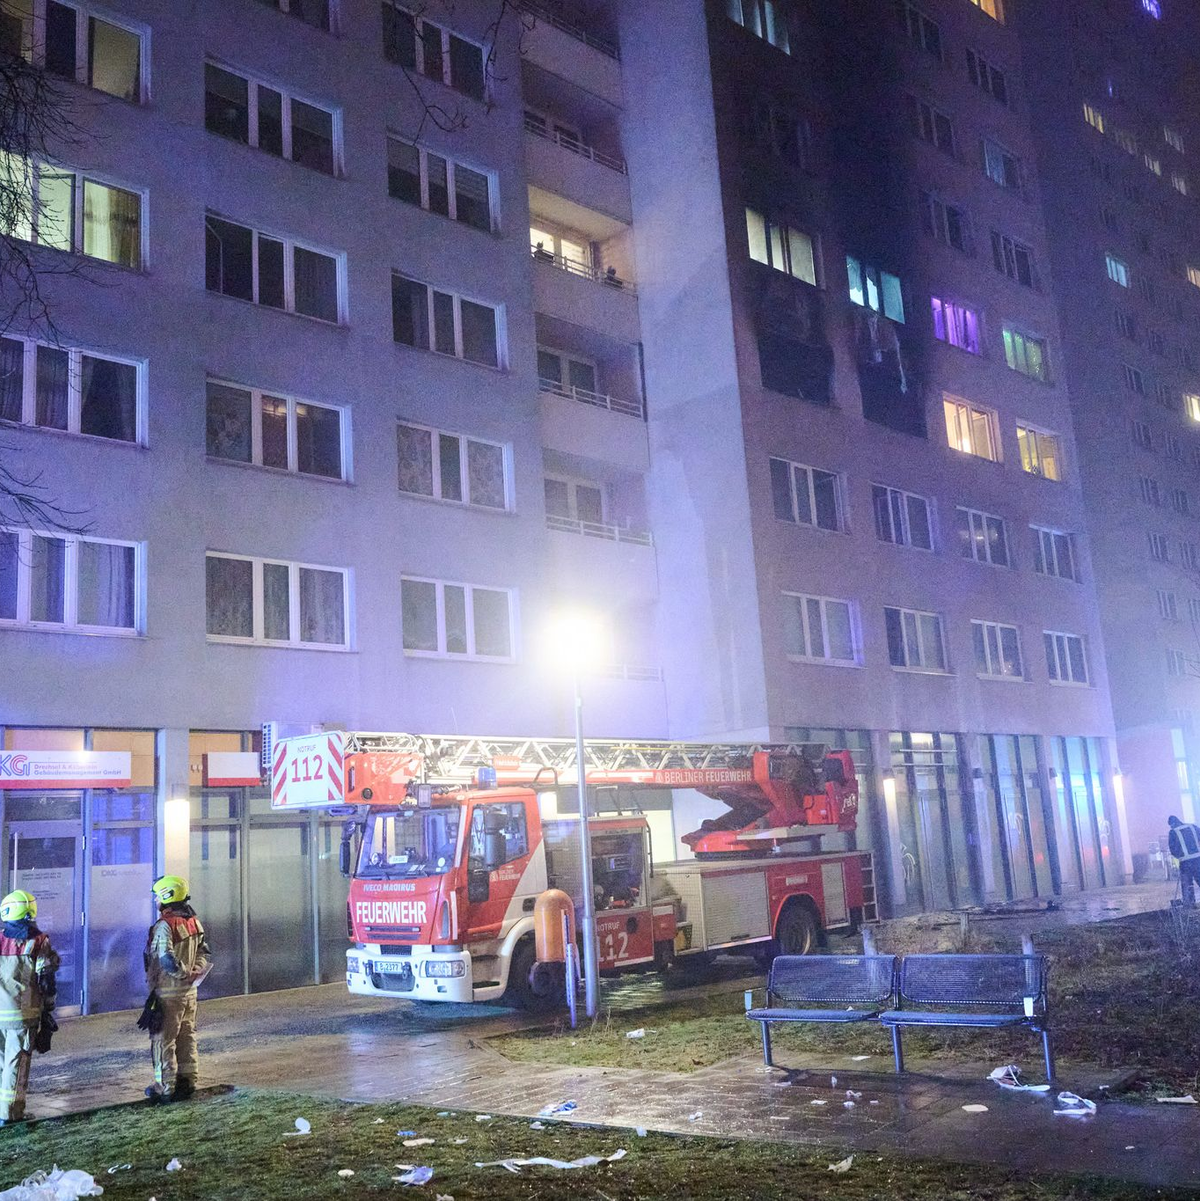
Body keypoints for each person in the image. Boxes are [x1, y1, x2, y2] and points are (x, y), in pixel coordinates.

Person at [144, 875, 212, 1103]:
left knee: (163, 1040)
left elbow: (166, 960)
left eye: (157, 895)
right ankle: (188, 1081)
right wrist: (196, 972)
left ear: (166, 896)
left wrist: (183, 973)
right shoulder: (193, 921)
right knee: (187, 1037)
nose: (155, 900)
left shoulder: (165, 925)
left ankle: (164, 1087)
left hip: (169, 993)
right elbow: (204, 952)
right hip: (190, 993)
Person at [0, 890, 58, 1126]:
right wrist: (49, 1009)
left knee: (3, 1064)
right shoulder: (38, 941)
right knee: (17, 1066)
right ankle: (11, 1114)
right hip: (24, 1016)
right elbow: (47, 980)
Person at [1167, 816, 1200, 905]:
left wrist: (1179, 856)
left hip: (1185, 862)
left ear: (1172, 824)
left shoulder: (1173, 832)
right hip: (1197, 859)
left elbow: (1172, 848)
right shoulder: (1192, 827)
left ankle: (1189, 904)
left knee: (1187, 884)